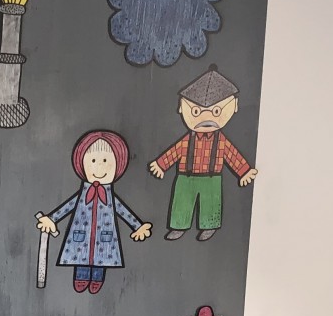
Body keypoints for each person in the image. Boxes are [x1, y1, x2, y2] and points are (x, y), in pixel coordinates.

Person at [147, 65, 257, 242]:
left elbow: (232, 155)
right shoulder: (188, 139)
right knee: (182, 203)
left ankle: (209, 226)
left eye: (216, 111)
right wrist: (161, 165)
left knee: (211, 204)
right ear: (182, 108)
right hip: (186, 176)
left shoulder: (220, 141)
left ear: (234, 106)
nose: (206, 118)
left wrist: (244, 171)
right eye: (197, 111)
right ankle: (178, 226)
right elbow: (175, 151)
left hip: (212, 178)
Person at [36, 129, 152, 294]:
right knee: (80, 257)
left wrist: (137, 226)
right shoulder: (83, 194)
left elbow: (122, 209)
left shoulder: (109, 196)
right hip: (81, 236)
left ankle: (97, 277)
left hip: (105, 238)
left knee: (102, 259)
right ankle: (81, 276)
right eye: (93, 160)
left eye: (105, 160)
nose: (99, 166)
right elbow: (69, 205)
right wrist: (52, 219)